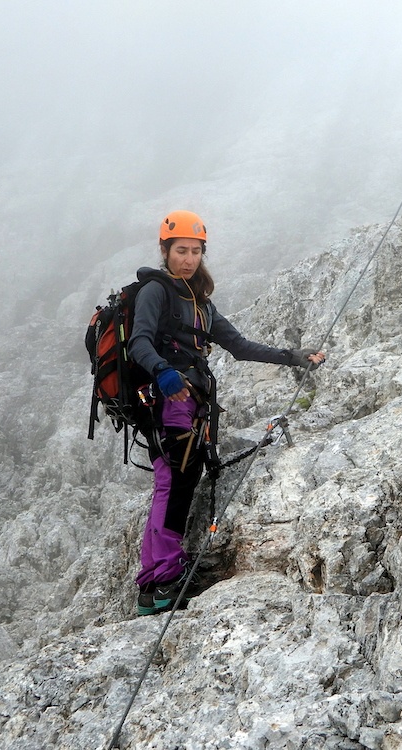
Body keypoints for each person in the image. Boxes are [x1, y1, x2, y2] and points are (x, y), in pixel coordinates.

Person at [128, 209, 325, 616]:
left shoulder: (200, 301)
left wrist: (292, 357)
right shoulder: (155, 291)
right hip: (169, 400)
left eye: (196, 251)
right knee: (176, 481)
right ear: (164, 250)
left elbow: (239, 345)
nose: (188, 258)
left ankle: (154, 583)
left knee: (176, 478)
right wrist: (163, 372)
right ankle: (163, 579)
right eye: (180, 250)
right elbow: (138, 343)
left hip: (192, 402)